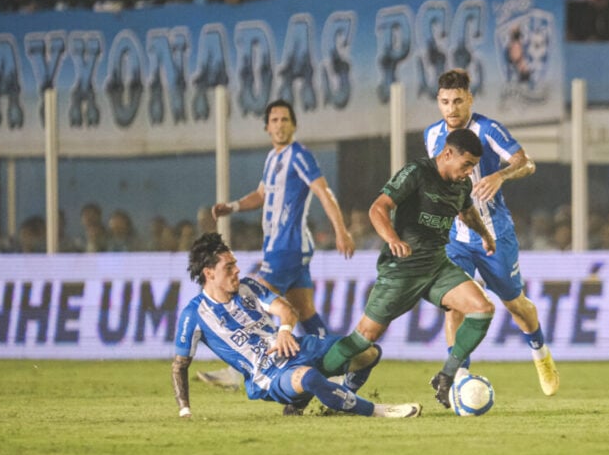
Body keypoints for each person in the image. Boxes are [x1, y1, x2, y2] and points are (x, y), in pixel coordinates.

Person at [316, 128, 498, 409]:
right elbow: (378, 207)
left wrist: (485, 235)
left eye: (473, 166)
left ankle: (446, 376)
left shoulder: (460, 186)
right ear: (447, 153)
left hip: (437, 266)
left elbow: (467, 211)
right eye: (467, 165)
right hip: (401, 269)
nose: (469, 172)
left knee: (482, 308)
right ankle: (306, 386)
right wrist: (393, 239)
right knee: (364, 338)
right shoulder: (417, 172)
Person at [171, 232, 421, 419]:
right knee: (309, 378)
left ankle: (343, 400)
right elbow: (180, 365)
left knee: (368, 352)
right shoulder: (194, 315)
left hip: (296, 347)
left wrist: (284, 330)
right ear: (209, 273)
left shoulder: (248, 286)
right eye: (229, 267)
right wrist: (184, 410)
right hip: (268, 374)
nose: (237, 270)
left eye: (235, 264)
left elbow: (285, 309)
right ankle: (377, 411)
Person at [424, 69, 559, 397]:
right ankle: (457, 379)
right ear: (438, 102)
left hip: (495, 235)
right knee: (454, 305)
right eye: (445, 102)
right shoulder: (431, 135)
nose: (451, 108)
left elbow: (527, 164)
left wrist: (500, 176)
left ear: (470, 98)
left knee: (516, 305)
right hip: (456, 236)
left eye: (458, 101)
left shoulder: (487, 129)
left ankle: (540, 353)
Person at [213, 99, 355, 341]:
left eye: (285, 120)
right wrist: (232, 206)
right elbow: (261, 195)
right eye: (274, 120)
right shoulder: (272, 158)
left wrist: (341, 231)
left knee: (252, 301)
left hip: (287, 246)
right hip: (286, 247)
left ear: (294, 126)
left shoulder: (299, 155)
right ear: (267, 127)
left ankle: (241, 368)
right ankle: (336, 361)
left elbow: (323, 191)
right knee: (305, 311)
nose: (280, 125)